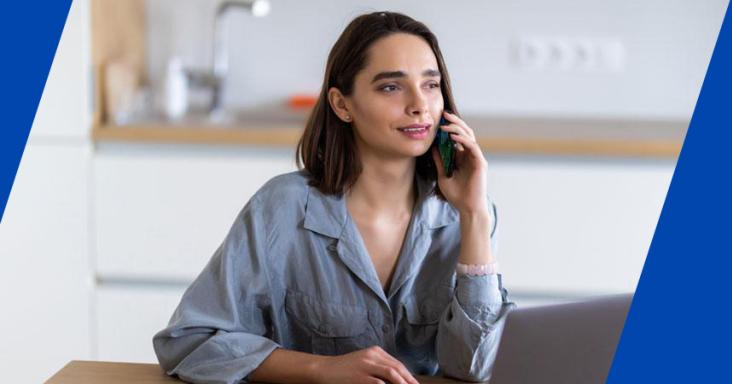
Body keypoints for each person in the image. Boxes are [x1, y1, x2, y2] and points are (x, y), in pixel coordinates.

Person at [153, 11, 514, 384]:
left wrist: (474, 215)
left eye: (431, 85)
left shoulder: (467, 216)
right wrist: (321, 369)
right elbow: (190, 341)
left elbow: (476, 367)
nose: (419, 105)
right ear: (342, 105)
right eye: (391, 87)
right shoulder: (281, 209)